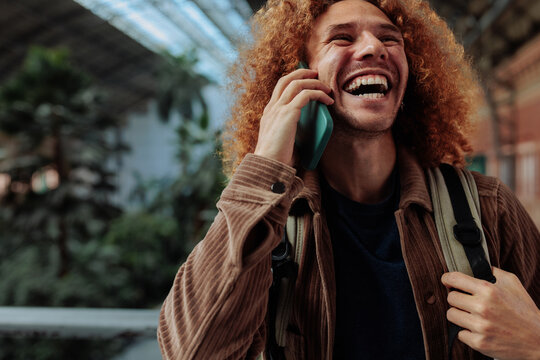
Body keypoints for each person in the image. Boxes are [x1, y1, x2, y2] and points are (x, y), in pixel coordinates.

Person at [157, 0, 540, 359]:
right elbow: (194, 352)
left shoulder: (487, 206)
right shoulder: (269, 220)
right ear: (296, 76)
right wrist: (266, 164)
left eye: (390, 38)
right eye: (342, 37)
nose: (375, 47)